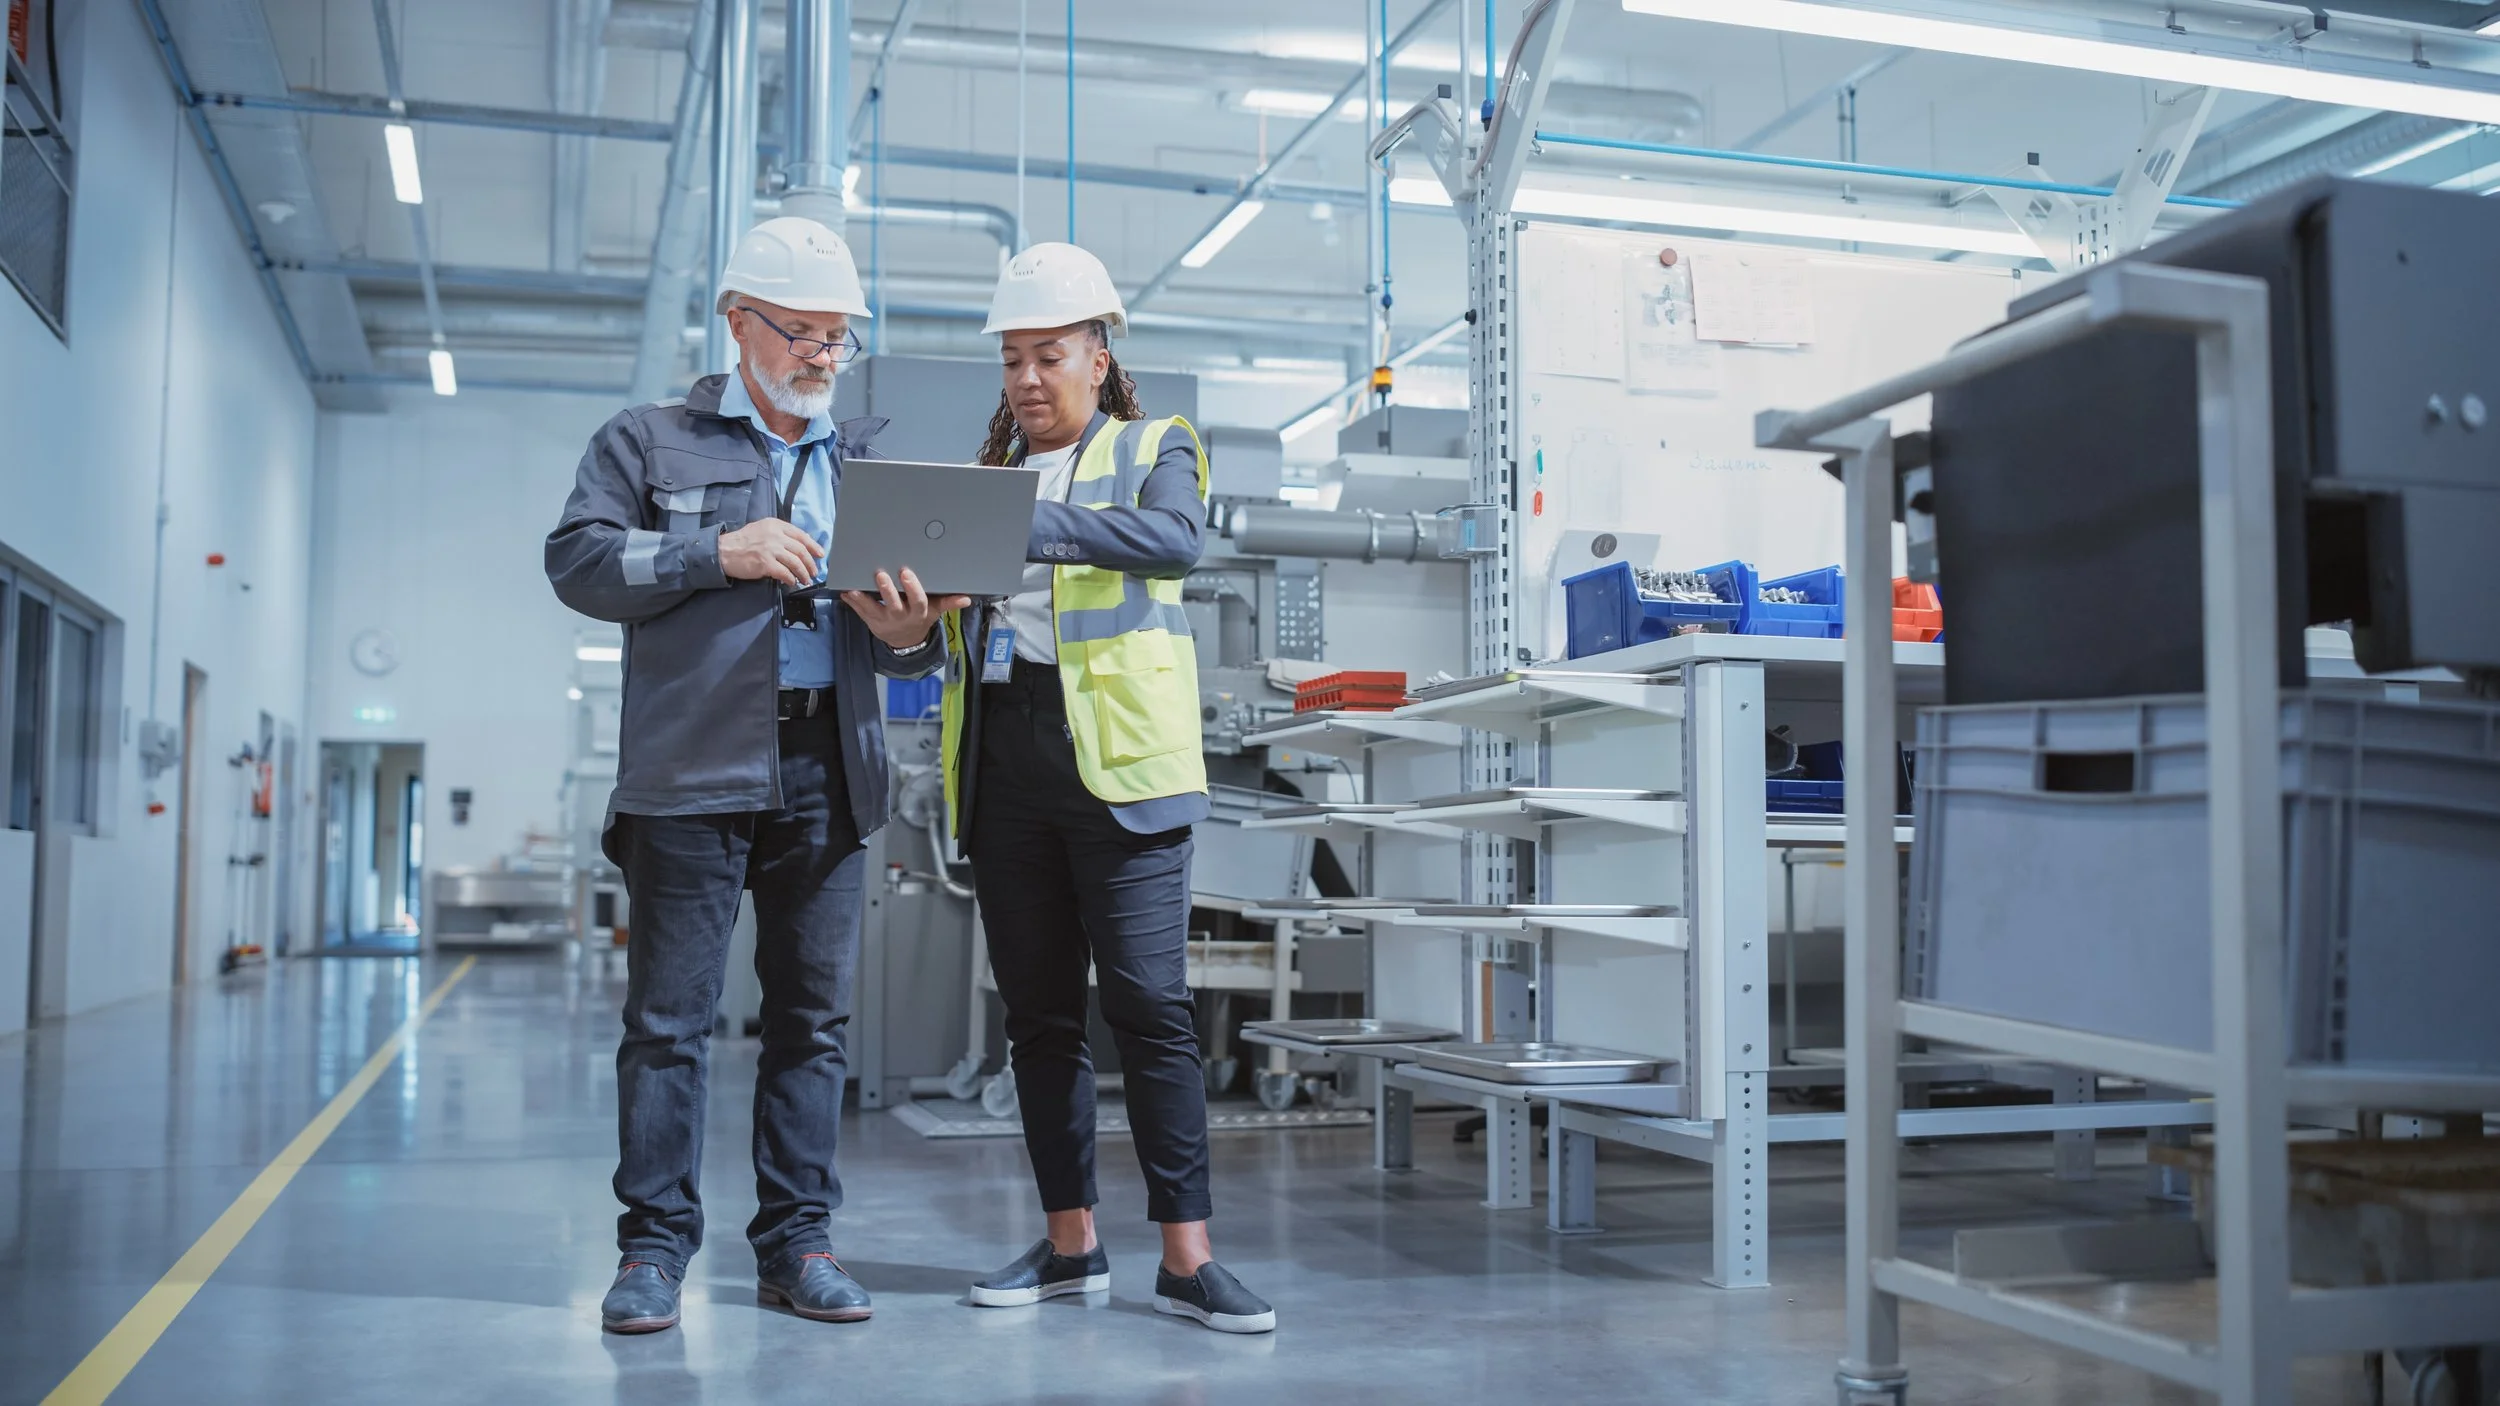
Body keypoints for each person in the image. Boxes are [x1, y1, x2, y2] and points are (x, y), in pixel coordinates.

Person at [545, 216, 966, 1335]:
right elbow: (577, 561)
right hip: (688, 771)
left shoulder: (867, 461)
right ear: (738, 322)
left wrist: (914, 629)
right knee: (669, 1023)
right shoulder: (648, 440)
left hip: (830, 765)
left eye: (838, 337)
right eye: (803, 332)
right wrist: (713, 553)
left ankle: (798, 1243)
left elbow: (907, 648)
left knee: (811, 1024)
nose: (825, 355)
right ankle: (651, 1252)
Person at [929, 242, 1275, 1334]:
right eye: (1013, 359)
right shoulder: (979, 483)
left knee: (1149, 1009)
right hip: (1004, 758)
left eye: (1049, 355)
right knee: (1037, 1019)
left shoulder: (1153, 446)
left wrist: (1019, 521)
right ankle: (1070, 1246)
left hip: (1123, 767)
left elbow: (1174, 542)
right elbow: (949, 624)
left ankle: (1186, 1258)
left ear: (1097, 354)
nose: (1028, 378)